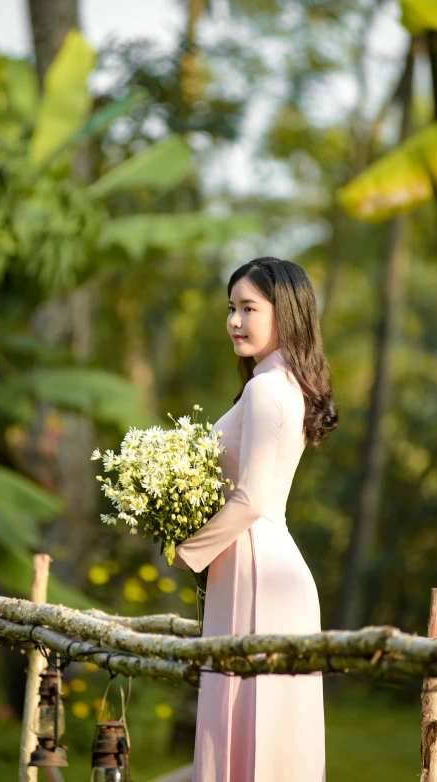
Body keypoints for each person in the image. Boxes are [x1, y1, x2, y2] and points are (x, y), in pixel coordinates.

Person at [172, 256, 338, 782]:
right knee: (255, 721)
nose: (234, 321)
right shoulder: (281, 381)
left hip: (257, 568)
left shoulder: (268, 388)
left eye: (248, 308)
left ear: (283, 313)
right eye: (231, 308)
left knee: (247, 718)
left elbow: (249, 501)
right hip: (258, 563)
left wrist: (187, 550)